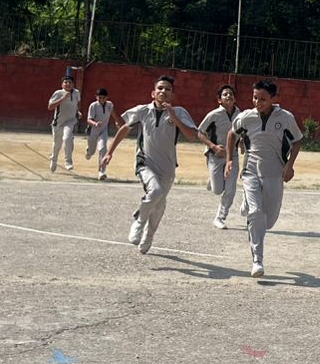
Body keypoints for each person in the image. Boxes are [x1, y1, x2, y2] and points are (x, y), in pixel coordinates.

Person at [101, 75, 207, 254]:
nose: (163, 91)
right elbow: (124, 128)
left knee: (159, 203)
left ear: (173, 95)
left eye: (168, 89)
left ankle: (149, 235)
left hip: (167, 167)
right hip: (146, 163)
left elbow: (191, 136)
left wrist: (174, 117)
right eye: (160, 88)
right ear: (153, 93)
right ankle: (139, 221)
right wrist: (110, 152)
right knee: (155, 192)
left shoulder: (179, 112)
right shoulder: (143, 111)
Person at [225, 78, 302, 280]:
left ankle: (248, 205)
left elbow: (297, 141)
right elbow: (232, 134)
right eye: (255, 98)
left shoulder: (285, 118)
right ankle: (257, 260)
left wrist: (289, 165)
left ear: (273, 99)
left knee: (269, 221)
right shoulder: (246, 117)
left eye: (262, 99)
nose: (257, 102)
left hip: (275, 173)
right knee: (256, 213)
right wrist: (229, 160)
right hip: (250, 171)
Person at [198, 84, 242, 228]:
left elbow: (243, 132)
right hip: (215, 156)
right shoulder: (214, 115)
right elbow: (200, 132)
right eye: (225, 94)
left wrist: (242, 143)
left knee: (230, 189)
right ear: (219, 100)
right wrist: (214, 147)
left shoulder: (240, 115)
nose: (228, 96)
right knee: (217, 190)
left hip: (233, 156)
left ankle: (220, 217)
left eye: (231, 94)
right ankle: (212, 181)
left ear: (235, 99)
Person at [47, 75, 81, 173]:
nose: (68, 84)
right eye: (66, 82)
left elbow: (75, 104)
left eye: (70, 82)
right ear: (62, 84)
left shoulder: (76, 93)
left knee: (67, 138)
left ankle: (68, 161)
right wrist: (62, 98)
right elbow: (50, 107)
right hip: (58, 123)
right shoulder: (58, 93)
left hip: (70, 121)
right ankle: (54, 160)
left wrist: (77, 112)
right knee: (57, 144)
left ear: (73, 84)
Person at [84, 87, 119, 180]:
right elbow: (88, 120)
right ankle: (89, 151)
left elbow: (113, 113)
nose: (102, 99)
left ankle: (101, 171)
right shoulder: (93, 106)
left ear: (107, 97)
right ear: (96, 97)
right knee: (92, 151)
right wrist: (95, 123)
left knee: (103, 149)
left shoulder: (109, 105)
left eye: (103, 98)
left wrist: (117, 121)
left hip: (103, 130)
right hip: (93, 130)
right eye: (99, 97)